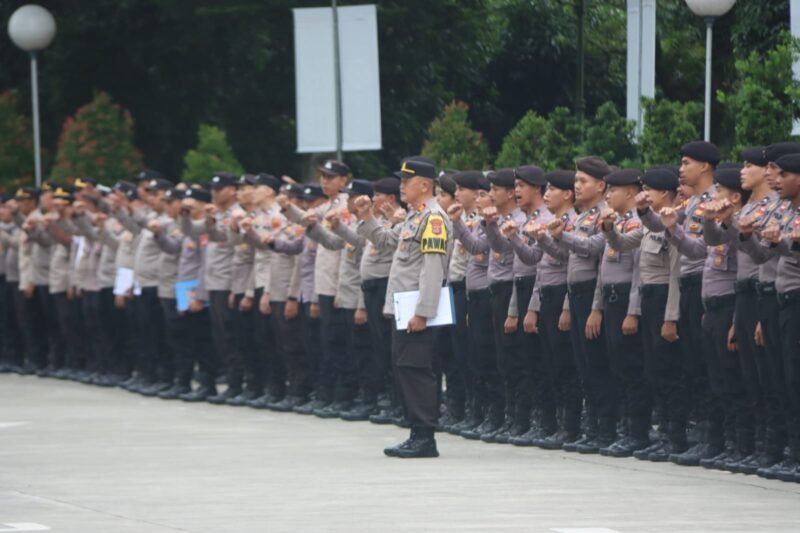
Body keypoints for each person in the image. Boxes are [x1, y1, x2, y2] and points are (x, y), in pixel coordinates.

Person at [356, 157, 452, 458]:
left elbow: (432, 270)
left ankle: (425, 436)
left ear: (425, 184)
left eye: (406, 182)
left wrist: (423, 312)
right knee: (405, 368)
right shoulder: (413, 217)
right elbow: (385, 242)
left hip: (415, 310)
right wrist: (367, 217)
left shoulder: (433, 218)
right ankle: (416, 432)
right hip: (403, 307)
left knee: (416, 369)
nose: (401, 187)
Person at [638, 141, 722, 466]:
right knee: (693, 366)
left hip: (704, 283)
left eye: (687, 163)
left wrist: (673, 229)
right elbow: (663, 228)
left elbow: (699, 250)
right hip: (690, 286)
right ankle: (701, 435)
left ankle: (714, 438)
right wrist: (646, 212)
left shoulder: (713, 202)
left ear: (704, 166)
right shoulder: (693, 202)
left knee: (705, 366)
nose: (681, 168)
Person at [538, 156, 615, 453]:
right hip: (576, 293)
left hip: (593, 294)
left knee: (596, 364)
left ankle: (605, 429)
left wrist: (562, 236)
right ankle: (592, 426)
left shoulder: (604, 217)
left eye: (583, 181)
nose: (577, 186)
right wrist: (547, 240)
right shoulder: (582, 218)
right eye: (577, 181)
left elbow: (593, 248)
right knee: (583, 366)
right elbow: (563, 257)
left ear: (601, 185)